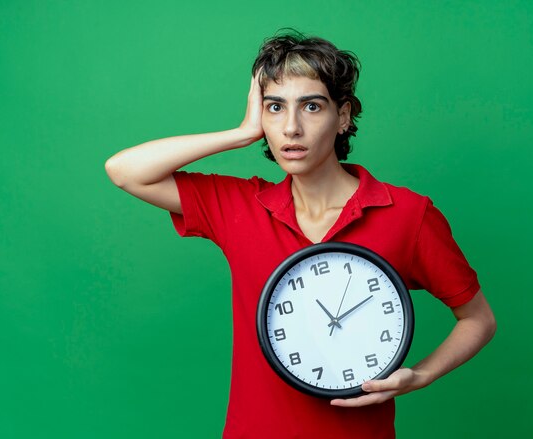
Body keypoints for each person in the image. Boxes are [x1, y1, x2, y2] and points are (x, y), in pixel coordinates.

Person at [105, 29, 496, 439]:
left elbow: (478, 320)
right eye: (275, 107)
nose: (291, 127)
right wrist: (241, 132)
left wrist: (420, 376)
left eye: (311, 106)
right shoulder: (241, 207)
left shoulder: (408, 214)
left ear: (343, 116)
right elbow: (125, 171)